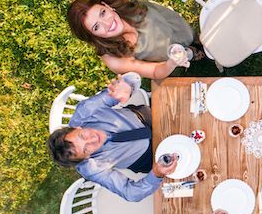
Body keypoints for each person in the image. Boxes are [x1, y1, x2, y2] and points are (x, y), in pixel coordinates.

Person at [66, 0, 200, 80]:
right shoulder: (113, 59)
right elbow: (154, 71)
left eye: (103, 13)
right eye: (96, 27)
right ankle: (193, 55)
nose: (107, 23)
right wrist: (172, 63)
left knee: (196, 39)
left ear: (106, 5)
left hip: (174, 28)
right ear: (93, 36)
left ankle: (196, 44)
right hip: (168, 60)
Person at [47, 77, 175, 201]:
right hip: (148, 157)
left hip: (146, 118)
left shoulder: (85, 111)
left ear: (77, 127)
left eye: (82, 136)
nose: (92, 139)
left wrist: (127, 86)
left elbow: (132, 79)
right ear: (85, 158)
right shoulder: (90, 168)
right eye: (86, 149)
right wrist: (156, 173)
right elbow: (130, 193)